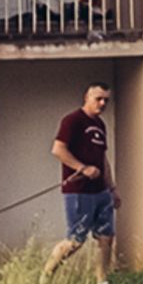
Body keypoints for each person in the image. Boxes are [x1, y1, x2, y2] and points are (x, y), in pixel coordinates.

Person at [48, 84, 120, 273]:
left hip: (101, 192)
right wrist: (82, 168)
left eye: (106, 100)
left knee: (106, 237)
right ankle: (47, 274)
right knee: (76, 240)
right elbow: (58, 149)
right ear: (86, 98)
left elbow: (103, 160)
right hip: (79, 191)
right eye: (98, 98)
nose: (103, 103)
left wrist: (112, 189)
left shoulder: (100, 124)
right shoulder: (72, 121)